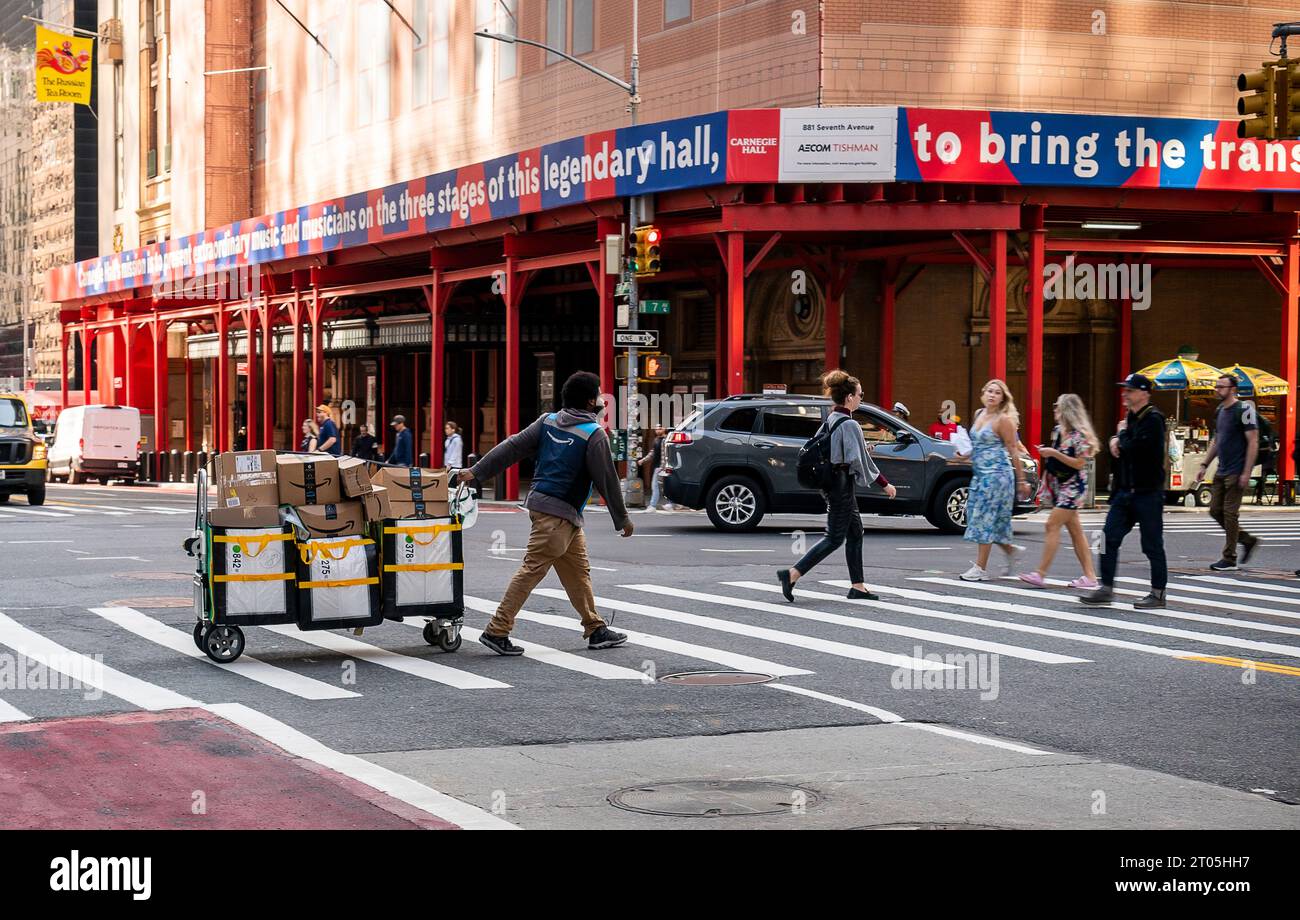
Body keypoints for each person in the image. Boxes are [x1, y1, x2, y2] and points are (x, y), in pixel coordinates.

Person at [456, 371, 631, 655]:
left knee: (578, 572)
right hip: (557, 516)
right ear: (590, 402)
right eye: (598, 394)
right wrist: (622, 518)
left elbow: (510, 447)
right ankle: (496, 630)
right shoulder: (593, 434)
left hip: (554, 511)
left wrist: (477, 471)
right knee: (531, 570)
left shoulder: (547, 421)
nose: (601, 398)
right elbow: (607, 480)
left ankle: (596, 629)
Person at [777, 370, 897, 603]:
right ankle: (792, 574)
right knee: (834, 538)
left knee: (855, 532)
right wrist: (885, 484)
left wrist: (861, 449)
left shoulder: (833, 417)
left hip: (834, 483)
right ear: (850, 397)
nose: (862, 397)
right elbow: (859, 462)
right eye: (860, 394)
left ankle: (858, 586)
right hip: (841, 485)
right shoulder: (850, 423)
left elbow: (838, 451)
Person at [1081, 373, 1168, 608]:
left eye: (1130, 390)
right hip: (1125, 491)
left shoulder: (1153, 419)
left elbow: (1136, 448)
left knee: (1152, 543)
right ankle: (1106, 587)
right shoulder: (1131, 418)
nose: (1125, 393)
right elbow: (1123, 449)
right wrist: (1117, 438)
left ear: (1144, 393)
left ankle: (1158, 593)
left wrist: (1119, 436)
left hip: (1147, 491)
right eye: (1124, 389)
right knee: (1106, 537)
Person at [1018, 394, 1100, 589]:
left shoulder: (1079, 436)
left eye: (1057, 407)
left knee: (1051, 524)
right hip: (1060, 484)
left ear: (1067, 411)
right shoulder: (1057, 431)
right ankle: (1090, 576)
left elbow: (1080, 463)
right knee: (1075, 531)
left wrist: (1053, 453)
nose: (1054, 410)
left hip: (1074, 486)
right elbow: (1059, 457)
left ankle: (1040, 573)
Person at [958, 380, 1032, 581]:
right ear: (983, 393)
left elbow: (1013, 451)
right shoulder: (979, 414)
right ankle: (1011, 551)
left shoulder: (1003, 420)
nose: (992, 395)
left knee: (984, 519)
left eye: (997, 392)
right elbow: (977, 445)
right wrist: (963, 455)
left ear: (1003, 397)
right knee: (990, 520)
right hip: (980, 474)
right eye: (989, 391)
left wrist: (1021, 481)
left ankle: (980, 568)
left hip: (997, 476)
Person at [1192, 374, 1260, 571]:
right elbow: (1217, 440)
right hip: (1222, 469)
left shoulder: (1245, 409)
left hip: (1237, 470)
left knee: (1230, 514)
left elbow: (1253, 441)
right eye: (1217, 386)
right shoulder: (1220, 409)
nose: (1217, 389)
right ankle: (1247, 540)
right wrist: (1204, 464)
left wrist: (1246, 472)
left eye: (1221, 386)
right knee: (1214, 510)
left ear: (1233, 389)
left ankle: (1229, 558)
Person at [639, 425, 673, 511]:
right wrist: (643, 460)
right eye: (656, 428)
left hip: (661, 467)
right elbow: (652, 453)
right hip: (657, 467)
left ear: (664, 429)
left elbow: (667, 454)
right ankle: (671, 504)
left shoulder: (665, 440)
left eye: (660, 428)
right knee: (665, 486)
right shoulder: (656, 440)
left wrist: (663, 467)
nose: (657, 430)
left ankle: (653, 505)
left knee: (656, 487)